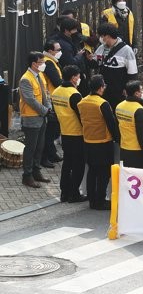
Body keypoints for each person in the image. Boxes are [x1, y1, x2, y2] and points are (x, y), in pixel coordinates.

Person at [79, 75, 118, 210]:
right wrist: (118, 139)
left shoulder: (82, 102)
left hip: (88, 141)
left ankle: (92, 199)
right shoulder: (103, 104)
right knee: (104, 173)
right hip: (103, 142)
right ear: (101, 88)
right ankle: (100, 200)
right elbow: (111, 124)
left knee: (92, 171)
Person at [52, 65, 86, 202]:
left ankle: (64, 192)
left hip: (64, 132)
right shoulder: (74, 94)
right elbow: (81, 116)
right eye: (78, 76)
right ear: (73, 78)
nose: (79, 79)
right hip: (77, 134)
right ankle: (74, 193)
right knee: (78, 165)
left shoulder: (56, 92)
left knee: (67, 164)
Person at [19, 52, 52, 188]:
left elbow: (45, 94)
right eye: (41, 62)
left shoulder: (40, 76)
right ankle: (27, 175)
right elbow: (30, 100)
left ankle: (36, 171)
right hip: (31, 118)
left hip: (42, 117)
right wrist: (45, 110)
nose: (43, 64)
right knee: (31, 148)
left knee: (40, 146)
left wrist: (48, 107)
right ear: (34, 64)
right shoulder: (25, 79)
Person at [94, 22, 138, 108]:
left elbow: (132, 72)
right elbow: (96, 63)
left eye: (102, 36)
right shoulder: (101, 48)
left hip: (119, 90)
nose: (101, 38)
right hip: (104, 89)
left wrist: (128, 89)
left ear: (108, 36)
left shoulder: (126, 50)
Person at [115, 81, 143, 169]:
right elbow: (142, 135)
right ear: (136, 93)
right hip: (137, 152)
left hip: (124, 149)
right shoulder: (138, 110)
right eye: (141, 90)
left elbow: (118, 128)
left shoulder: (119, 106)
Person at [40, 40, 63, 163]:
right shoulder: (48, 62)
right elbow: (56, 81)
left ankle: (51, 153)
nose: (60, 52)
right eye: (58, 50)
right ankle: (46, 156)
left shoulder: (51, 61)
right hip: (51, 99)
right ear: (50, 51)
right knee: (51, 129)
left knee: (53, 129)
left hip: (53, 97)